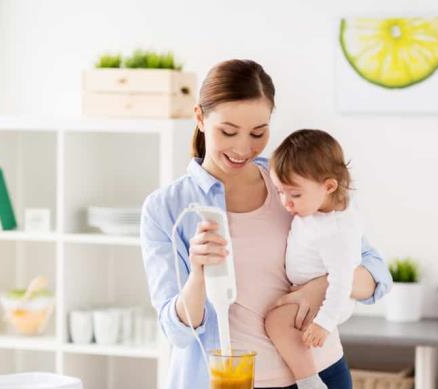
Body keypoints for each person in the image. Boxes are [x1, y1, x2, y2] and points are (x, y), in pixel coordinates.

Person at [140, 59, 392, 389]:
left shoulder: (291, 183)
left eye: (258, 133)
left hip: (322, 371)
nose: (244, 148)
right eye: (228, 132)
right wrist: (200, 276)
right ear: (200, 118)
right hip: (230, 381)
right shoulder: (167, 209)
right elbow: (176, 331)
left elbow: (376, 275)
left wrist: (324, 285)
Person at [265, 129, 362, 389]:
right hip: (313, 291)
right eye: (280, 192)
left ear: (328, 186)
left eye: (294, 194)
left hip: (331, 299)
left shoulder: (335, 231)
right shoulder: (318, 208)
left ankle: (309, 382)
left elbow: (343, 282)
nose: (286, 202)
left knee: (277, 321)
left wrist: (324, 323)